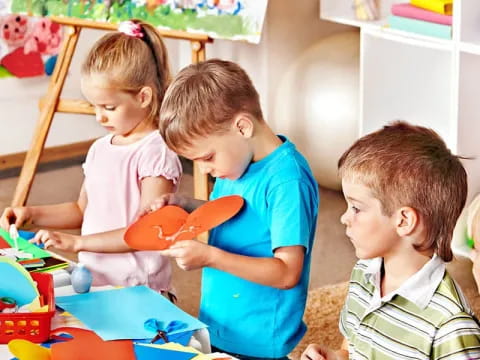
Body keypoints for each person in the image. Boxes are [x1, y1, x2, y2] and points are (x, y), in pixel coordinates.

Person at [148, 59, 319, 359]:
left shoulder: (286, 182)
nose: (204, 170)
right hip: (220, 324)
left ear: (242, 126)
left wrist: (210, 257)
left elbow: (287, 272)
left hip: (259, 338)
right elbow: (236, 217)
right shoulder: (235, 166)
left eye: (208, 157)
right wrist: (186, 206)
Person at [0, 20, 182, 293]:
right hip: (95, 280)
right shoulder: (100, 148)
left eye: (109, 107)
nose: (99, 117)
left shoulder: (155, 152)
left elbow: (146, 232)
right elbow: (81, 210)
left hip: (139, 289)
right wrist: (31, 213)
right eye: (94, 106)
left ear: (144, 97)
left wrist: (77, 243)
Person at [301, 121, 480, 360]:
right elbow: (352, 349)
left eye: (356, 207)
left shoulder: (450, 326)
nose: (344, 218)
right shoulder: (365, 273)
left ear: (404, 221)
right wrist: (336, 357)